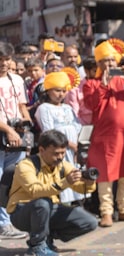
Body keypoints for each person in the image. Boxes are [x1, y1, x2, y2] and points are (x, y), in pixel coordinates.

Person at [83, 39, 124, 227]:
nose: (109, 64)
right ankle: (106, 212)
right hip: (105, 137)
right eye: (105, 61)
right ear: (98, 64)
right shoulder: (91, 84)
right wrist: (103, 85)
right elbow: (91, 105)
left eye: (112, 60)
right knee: (105, 174)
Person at [6, 130, 97, 256]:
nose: (60, 157)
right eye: (55, 154)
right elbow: (35, 191)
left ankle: (47, 237)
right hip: (22, 212)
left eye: (63, 153)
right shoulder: (26, 165)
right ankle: (36, 247)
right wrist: (65, 182)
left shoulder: (63, 165)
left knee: (89, 222)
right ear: (42, 150)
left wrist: (88, 182)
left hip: (48, 209)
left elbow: (80, 187)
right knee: (42, 202)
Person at [35, 69, 85, 205]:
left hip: (73, 151)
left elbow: (77, 126)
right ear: (48, 91)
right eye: (57, 90)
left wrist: (79, 144)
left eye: (63, 91)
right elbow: (49, 131)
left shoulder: (68, 108)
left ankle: (76, 206)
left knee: (75, 175)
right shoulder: (44, 108)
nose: (60, 94)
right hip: (58, 150)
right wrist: (68, 144)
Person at [0, 42, 30, 240]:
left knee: (13, 179)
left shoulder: (16, 80)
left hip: (15, 135)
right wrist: (9, 130)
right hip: (5, 132)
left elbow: (22, 106)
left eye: (6, 60)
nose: (3, 64)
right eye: (0, 60)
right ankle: (3, 224)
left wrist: (25, 123)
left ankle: (12, 220)